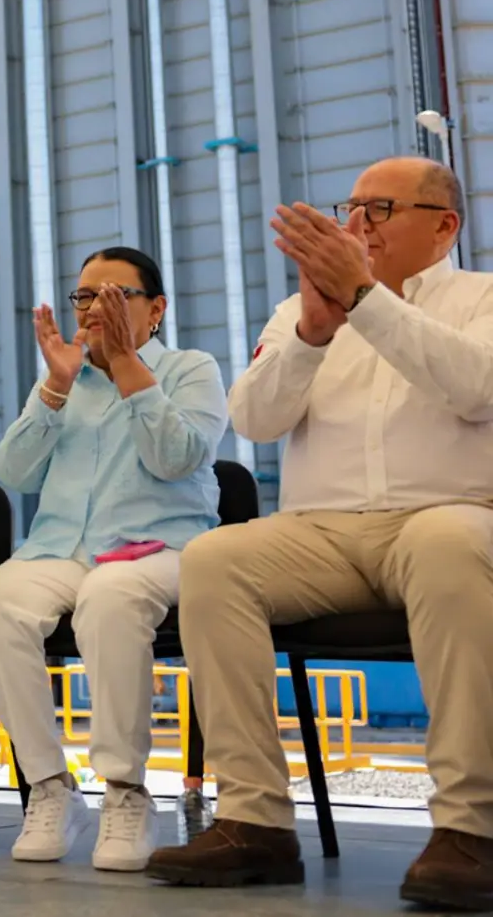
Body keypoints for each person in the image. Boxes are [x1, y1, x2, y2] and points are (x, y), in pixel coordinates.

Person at [146, 158, 493, 909]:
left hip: (452, 515)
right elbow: (255, 419)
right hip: (323, 533)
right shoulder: (298, 311)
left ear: (444, 226)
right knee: (215, 559)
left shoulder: (482, 299)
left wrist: (367, 300)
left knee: (447, 545)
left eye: (381, 208)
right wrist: (310, 332)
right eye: (351, 207)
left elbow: (475, 388)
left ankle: (472, 829)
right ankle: (255, 823)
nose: (357, 223)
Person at [0, 247, 228, 871]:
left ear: (156, 308)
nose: (92, 309)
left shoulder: (191, 369)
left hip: (161, 548)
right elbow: (13, 472)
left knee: (110, 597)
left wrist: (128, 366)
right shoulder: (68, 379)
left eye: (114, 296)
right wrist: (55, 387)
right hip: (64, 548)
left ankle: (125, 790)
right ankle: (50, 786)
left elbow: (177, 458)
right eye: (84, 297)